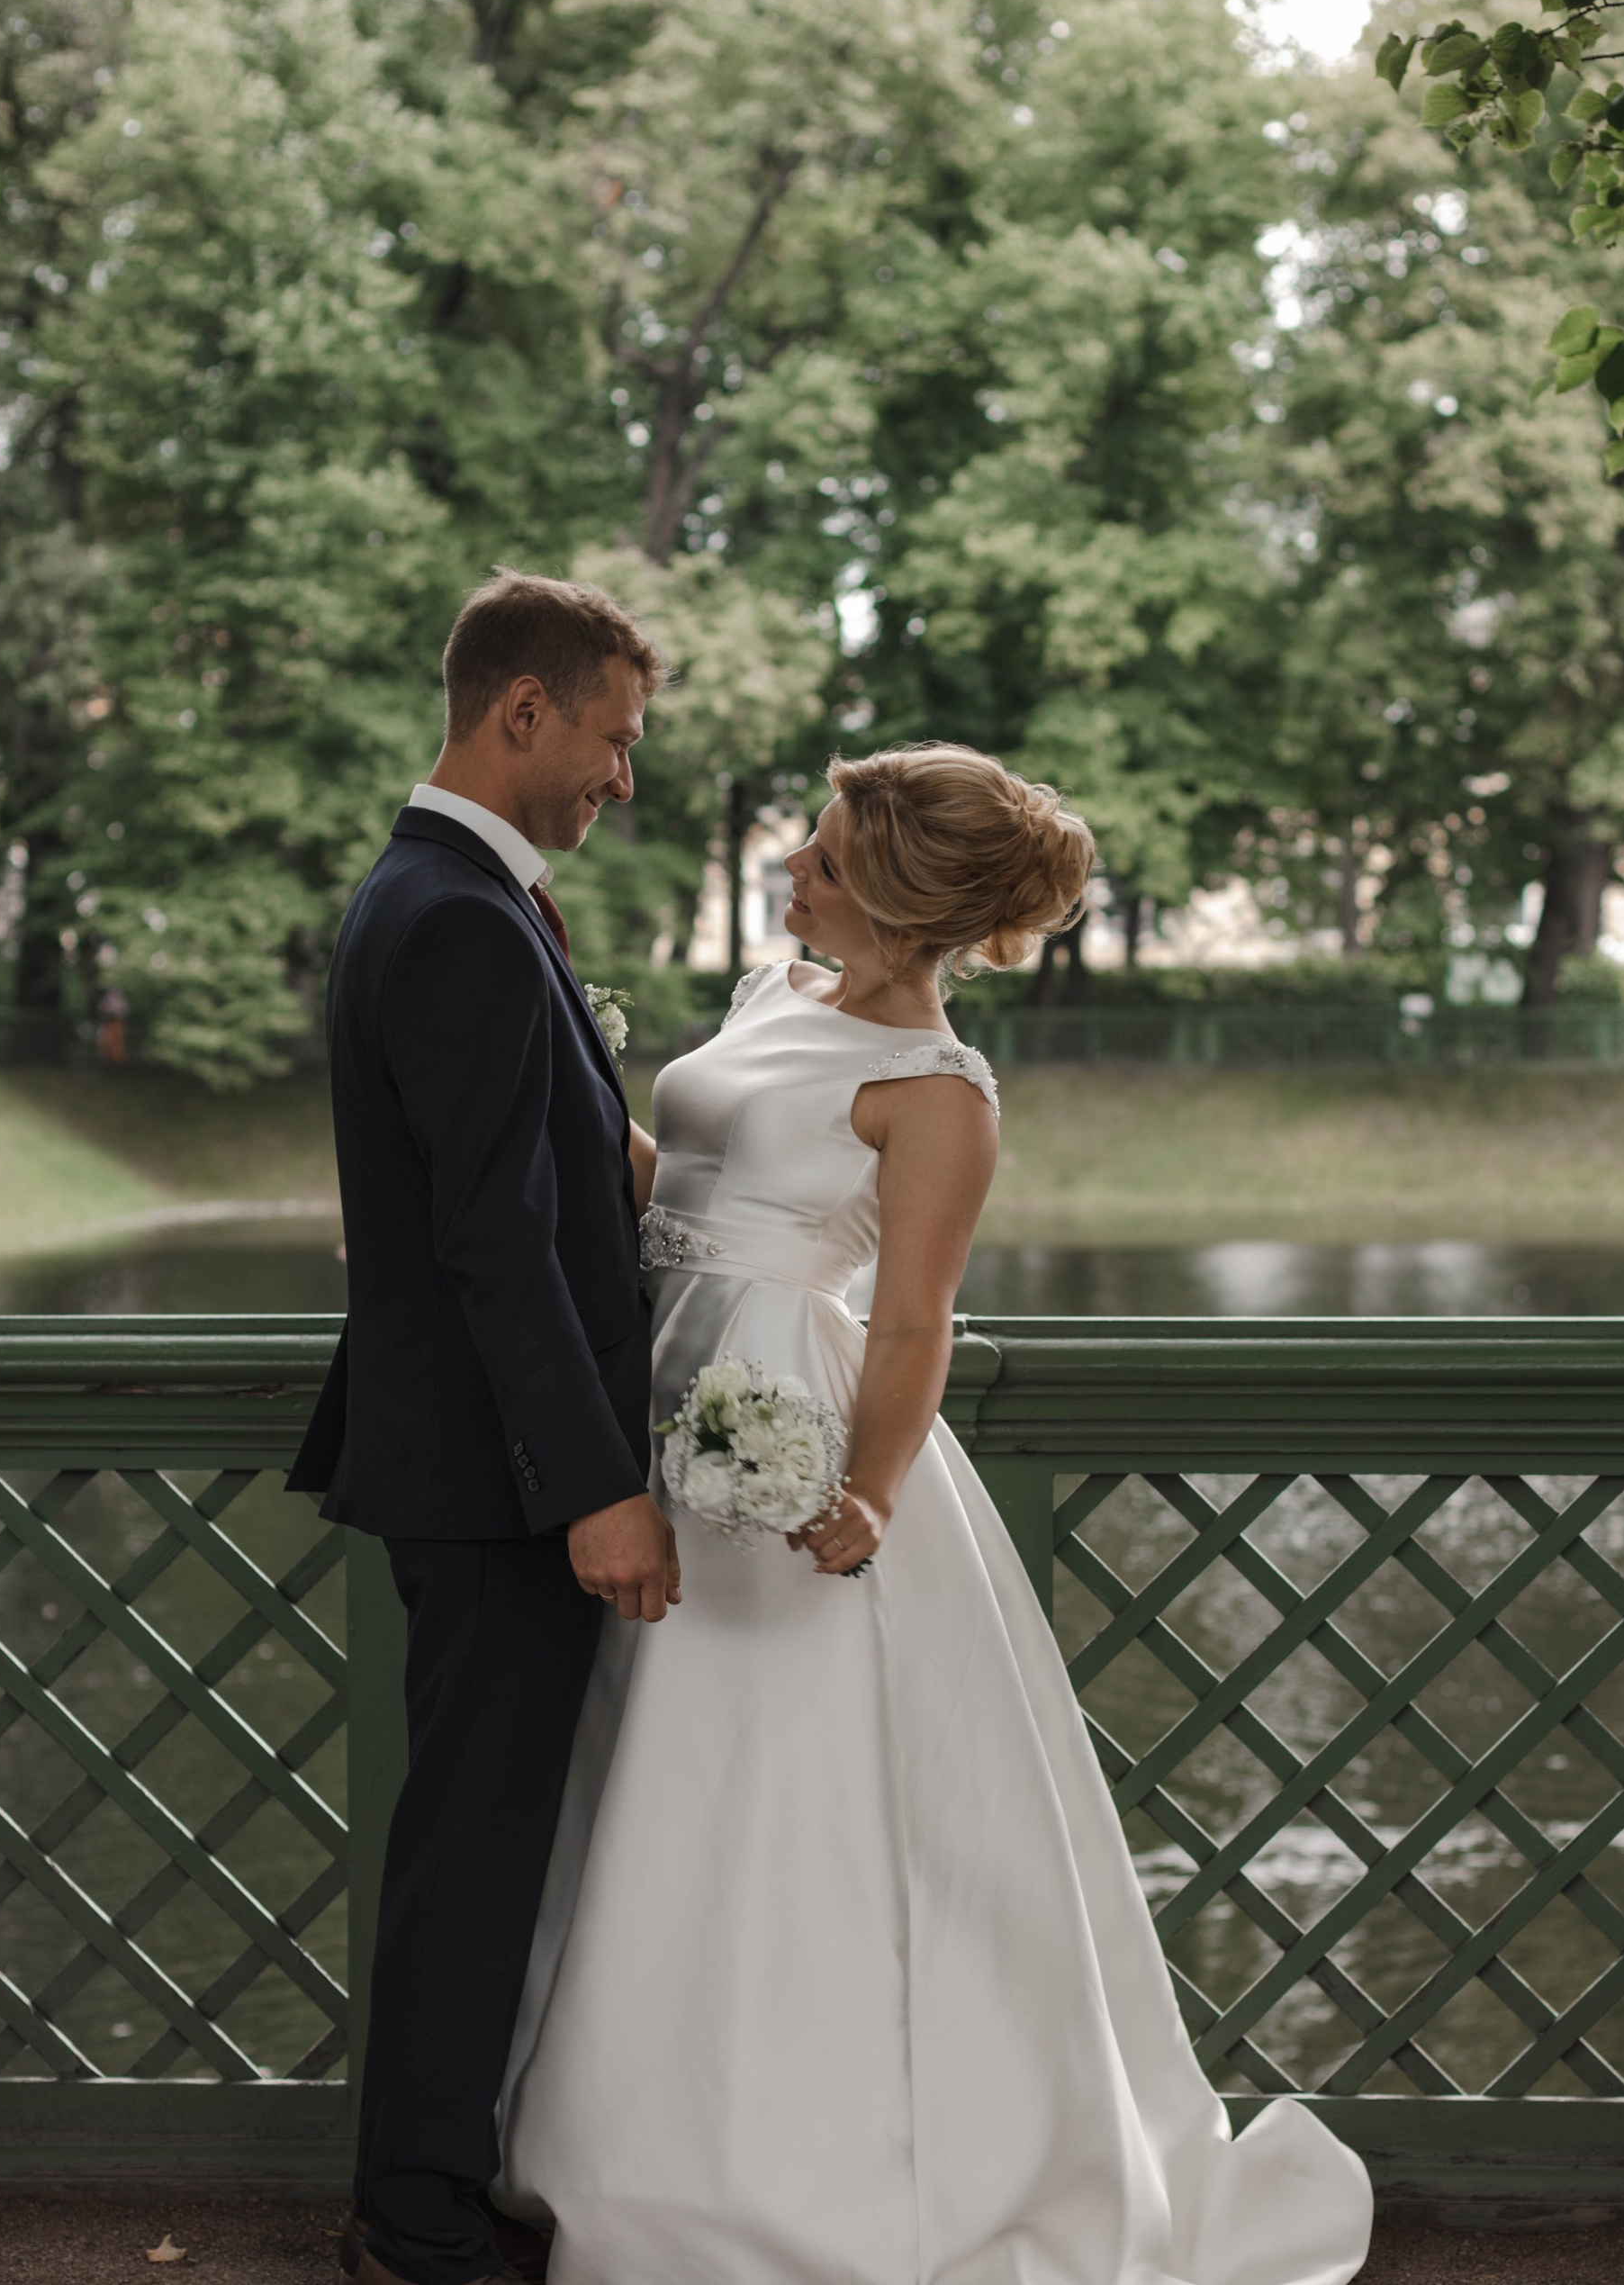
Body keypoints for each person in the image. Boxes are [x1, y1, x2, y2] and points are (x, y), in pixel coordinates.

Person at [498, 745, 1374, 2285]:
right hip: (657, 1376)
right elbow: (675, 1195)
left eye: (824, 861)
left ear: (901, 910)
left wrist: (868, 1493)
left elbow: (912, 1328)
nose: (794, 870)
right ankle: (620, 2133)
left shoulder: (936, 1094)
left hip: (775, 1424)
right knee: (634, 1769)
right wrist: (572, 1088)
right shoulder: (781, 999)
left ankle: (794, 2170)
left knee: (770, 1787)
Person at [287, 568, 680, 2285]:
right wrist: (595, 1484)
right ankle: (417, 2224)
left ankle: (444, 2189)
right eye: (613, 735)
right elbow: (491, 1246)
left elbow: (540, 1182)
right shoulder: (452, 914)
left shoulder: (452, 894)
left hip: (488, 1465)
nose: (621, 775)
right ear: (524, 711)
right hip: (503, 1478)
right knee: (469, 1852)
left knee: (486, 1835)